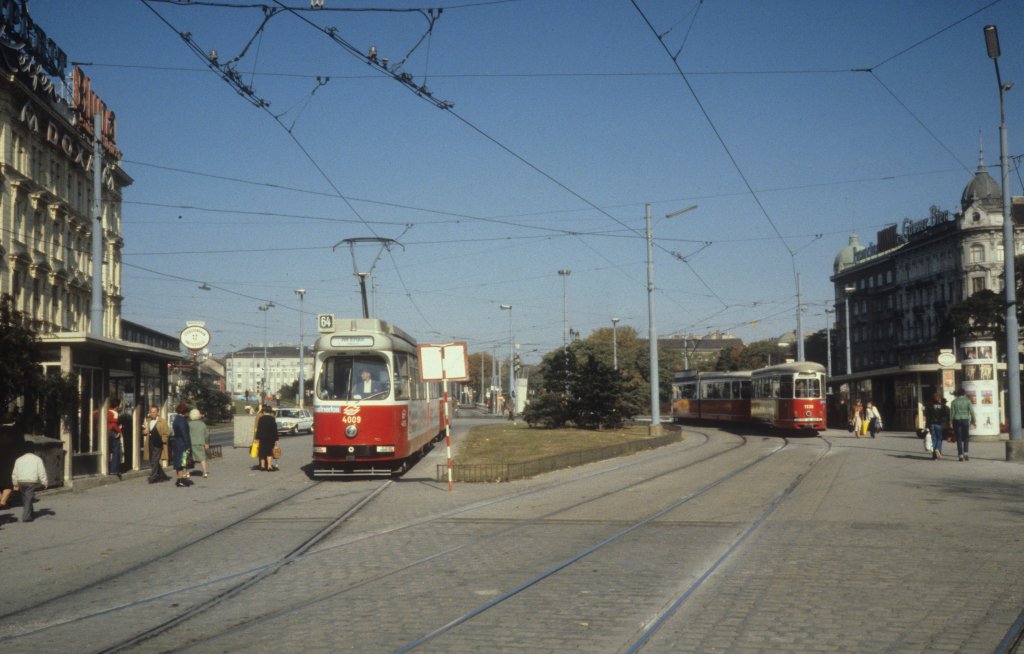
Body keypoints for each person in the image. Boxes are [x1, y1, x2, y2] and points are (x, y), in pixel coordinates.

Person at [11, 442, 47, 522]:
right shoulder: (37, 459)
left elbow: (15, 472)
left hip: (21, 480)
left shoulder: (19, 459)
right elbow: (41, 472)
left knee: (25, 497)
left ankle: (30, 511)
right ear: (33, 450)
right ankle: (26, 517)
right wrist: (44, 482)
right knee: (28, 498)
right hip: (31, 481)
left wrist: (15, 483)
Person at [143, 405, 172, 483]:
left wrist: (163, 440)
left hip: (158, 443)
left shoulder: (162, 421)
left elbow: (167, 432)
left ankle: (153, 477)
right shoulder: (147, 420)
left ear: (157, 412)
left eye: (154, 412)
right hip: (150, 442)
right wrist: (145, 432)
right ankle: (162, 476)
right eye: (151, 412)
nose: (152, 414)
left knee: (155, 460)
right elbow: (146, 430)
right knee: (152, 460)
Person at [949, 388, 975, 462]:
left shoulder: (954, 402)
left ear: (957, 394)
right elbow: (972, 412)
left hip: (956, 420)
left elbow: (952, 413)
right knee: (966, 437)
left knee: (959, 438)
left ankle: (960, 455)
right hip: (965, 420)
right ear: (964, 394)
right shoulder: (967, 401)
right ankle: (966, 453)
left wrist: (950, 422)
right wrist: (973, 421)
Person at [170, 403, 192, 487]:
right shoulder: (182, 421)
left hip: (177, 442)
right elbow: (184, 434)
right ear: (184, 411)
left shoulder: (176, 419)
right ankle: (180, 480)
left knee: (178, 461)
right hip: (182, 444)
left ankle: (179, 479)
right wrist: (188, 446)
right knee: (182, 462)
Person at [254, 405, 279, 472]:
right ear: (270, 412)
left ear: (264, 411)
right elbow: (275, 430)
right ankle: (269, 466)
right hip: (270, 438)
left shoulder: (261, 419)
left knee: (262, 452)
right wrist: (276, 440)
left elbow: (258, 429)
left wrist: (257, 438)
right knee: (269, 452)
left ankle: (262, 466)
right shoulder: (272, 419)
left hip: (262, 438)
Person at [925, 394, 949, 460]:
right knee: (939, 439)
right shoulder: (943, 406)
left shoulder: (930, 406)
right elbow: (947, 414)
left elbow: (928, 417)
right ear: (939, 399)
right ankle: (937, 449)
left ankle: (934, 456)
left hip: (932, 424)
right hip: (940, 424)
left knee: (934, 439)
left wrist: (926, 426)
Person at [188, 408, 210, 478]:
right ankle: (205, 472)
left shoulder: (189, 424)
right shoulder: (202, 424)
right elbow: (206, 435)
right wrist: (207, 443)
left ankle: (187, 473)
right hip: (200, 443)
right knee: (202, 459)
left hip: (191, 443)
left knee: (188, 459)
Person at [107, 398, 124, 480]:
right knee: (116, 451)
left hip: (106, 432)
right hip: (113, 432)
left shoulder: (107, 411)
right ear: (116, 406)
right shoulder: (115, 413)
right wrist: (119, 432)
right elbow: (113, 424)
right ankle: (114, 469)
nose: (121, 406)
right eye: (120, 404)